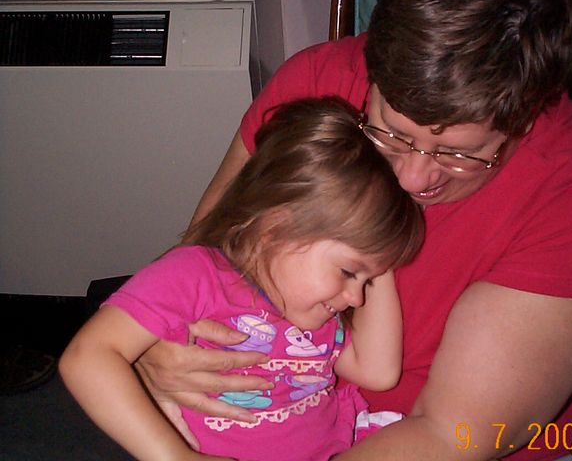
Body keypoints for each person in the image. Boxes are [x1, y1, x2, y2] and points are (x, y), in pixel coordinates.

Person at [133, 0, 572, 460]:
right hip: (252, 421)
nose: (411, 176)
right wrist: (152, 345)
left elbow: (452, 435)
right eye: (392, 132)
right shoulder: (320, 83)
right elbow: (206, 249)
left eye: (459, 154)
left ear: (525, 117)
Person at [59, 97, 425, 461]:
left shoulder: (316, 314)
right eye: (348, 272)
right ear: (275, 228)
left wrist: (377, 251)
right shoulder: (194, 274)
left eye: (367, 281)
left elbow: (377, 372)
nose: (357, 299)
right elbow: (87, 357)